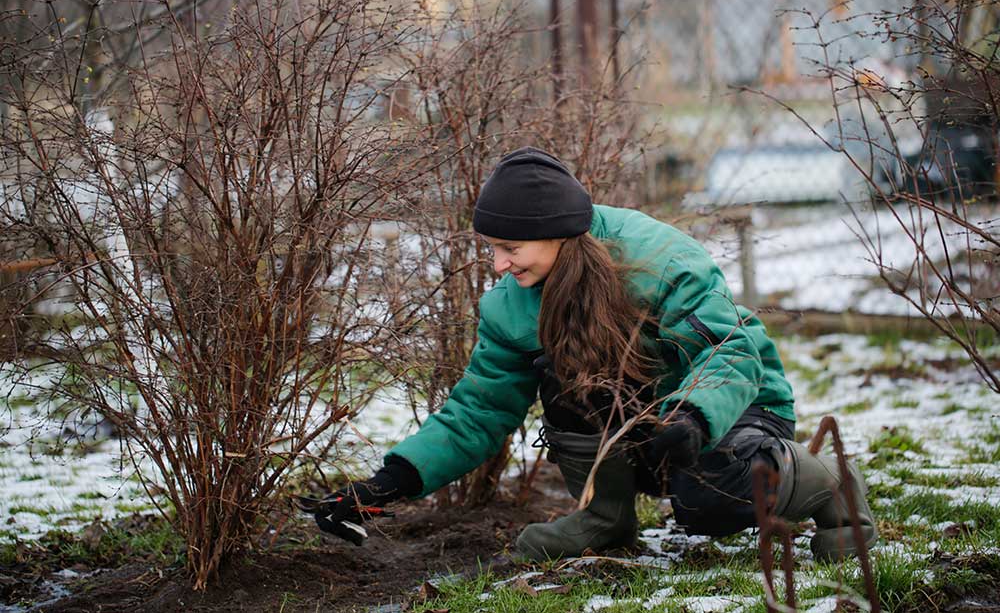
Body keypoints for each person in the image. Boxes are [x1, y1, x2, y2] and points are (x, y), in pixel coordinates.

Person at [302, 147, 878, 562]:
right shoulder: (512, 307)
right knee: (560, 372)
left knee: (708, 503)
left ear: (555, 232)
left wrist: (693, 418)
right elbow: (479, 410)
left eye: (509, 248)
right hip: (641, 423)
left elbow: (728, 356)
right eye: (494, 250)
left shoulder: (661, 262)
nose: (499, 266)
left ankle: (832, 480)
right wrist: (388, 483)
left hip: (732, 409)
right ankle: (607, 517)